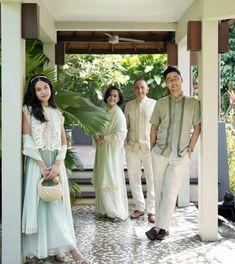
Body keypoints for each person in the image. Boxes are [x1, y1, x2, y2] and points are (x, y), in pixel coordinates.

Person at [21, 75, 88, 264]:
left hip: (56, 164)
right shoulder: (27, 111)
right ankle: (71, 250)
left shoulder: (57, 113)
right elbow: (26, 139)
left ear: (50, 88)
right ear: (33, 93)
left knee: (56, 205)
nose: (43, 91)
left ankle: (63, 247)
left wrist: (58, 164)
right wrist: (41, 165)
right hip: (37, 163)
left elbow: (63, 142)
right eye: (38, 89)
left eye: (46, 87)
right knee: (43, 206)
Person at [145, 66, 201, 241]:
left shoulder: (193, 102)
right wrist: (153, 147)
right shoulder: (160, 103)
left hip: (181, 154)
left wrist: (190, 149)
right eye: (169, 80)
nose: (173, 82)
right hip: (159, 152)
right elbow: (154, 127)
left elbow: (197, 128)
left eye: (175, 78)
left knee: (170, 191)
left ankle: (158, 228)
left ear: (182, 79)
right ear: (166, 84)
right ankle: (163, 229)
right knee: (160, 190)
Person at [92, 86, 128, 221]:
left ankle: (115, 211)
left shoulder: (118, 114)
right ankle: (104, 209)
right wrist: (96, 135)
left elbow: (122, 133)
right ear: (106, 96)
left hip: (111, 151)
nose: (112, 98)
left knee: (110, 178)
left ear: (119, 99)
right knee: (102, 177)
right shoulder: (103, 111)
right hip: (102, 150)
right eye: (110, 95)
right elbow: (95, 126)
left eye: (115, 96)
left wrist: (105, 138)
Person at [124, 79, 156, 223]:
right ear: (134, 90)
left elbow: (157, 126)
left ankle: (152, 210)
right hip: (132, 147)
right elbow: (125, 126)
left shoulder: (154, 104)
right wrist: (124, 145)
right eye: (137, 88)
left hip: (150, 147)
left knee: (151, 179)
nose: (140, 90)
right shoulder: (129, 105)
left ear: (147, 89)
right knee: (134, 178)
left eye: (142, 87)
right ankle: (139, 208)